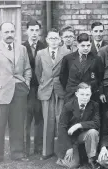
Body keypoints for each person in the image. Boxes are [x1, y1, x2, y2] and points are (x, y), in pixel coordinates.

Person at [0, 22, 32, 163]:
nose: (9, 34)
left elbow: (27, 68)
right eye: (6, 32)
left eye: (12, 31)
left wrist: (27, 83)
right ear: (1, 33)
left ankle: (17, 153)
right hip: (1, 92)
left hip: (19, 91)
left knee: (17, 124)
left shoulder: (22, 49)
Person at [35, 28, 70, 160]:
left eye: (56, 38)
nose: (54, 41)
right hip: (46, 89)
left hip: (61, 90)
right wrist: (44, 83)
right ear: (47, 40)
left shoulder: (66, 52)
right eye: (51, 38)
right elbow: (38, 72)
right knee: (48, 120)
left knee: (60, 119)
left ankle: (60, 150)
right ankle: (47, 151)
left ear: (60, 40)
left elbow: (67, 72)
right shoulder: (40, 54)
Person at [56, 82, 101, 169]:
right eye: (82, 94)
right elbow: (62, 128)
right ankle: (61, 157)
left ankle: (92, 159)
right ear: (77, 94)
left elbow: (97, 123)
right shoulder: (68, 106)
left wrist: (79, 125)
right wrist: (69, 147)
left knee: (93, 132)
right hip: (70, 139)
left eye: (87, 94)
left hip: (82, 136)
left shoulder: (94, 105)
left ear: (91, 94)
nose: (85, 97)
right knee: (73, 165)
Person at [22, 20, 46, 157]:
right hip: (26, 89)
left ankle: (38, 148)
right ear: (27, 31)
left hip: (39, 88)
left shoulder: (44, 47)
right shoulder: (21, 47)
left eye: (37, 30)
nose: (34, 33)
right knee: (26, 120)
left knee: (39, 119)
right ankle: (25, 150)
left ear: (40, 32)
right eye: (31, 30)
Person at [59, 33, 104, 102]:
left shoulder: (96, 59)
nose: (86, 48)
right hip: (72, 95)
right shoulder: (68, 58)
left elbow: (100, 78)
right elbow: (63, 77)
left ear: (91, 45)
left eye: (88, 45)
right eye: (83, 45)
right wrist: (71, 89)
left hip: (90, 96)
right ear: (77, 45)